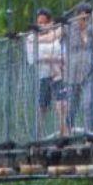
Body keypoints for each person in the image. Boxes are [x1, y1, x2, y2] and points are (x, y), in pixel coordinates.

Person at [61, 2, 93, 134]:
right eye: (83, 17)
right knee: (72, 104)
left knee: (89, 102)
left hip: (90, 70)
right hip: (74, 72)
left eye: (88, 17)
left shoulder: (92, 29)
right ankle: (67, 131)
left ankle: (90, 132)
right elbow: (56, 35)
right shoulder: (69, 28)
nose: (85, 20)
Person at [25, 8, 66, 136]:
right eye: (39, 23)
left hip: (58, 76)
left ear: (50, 22)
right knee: (43, 107)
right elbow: (33, 59)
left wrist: (48, 58)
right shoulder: (31, 38)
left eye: (44, 23)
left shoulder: (55, 35)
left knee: (61, 105)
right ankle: (37, 136)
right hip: (44, 76)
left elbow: (63, 55)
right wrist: (52, 58)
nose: (41, 26)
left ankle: (64, 135)